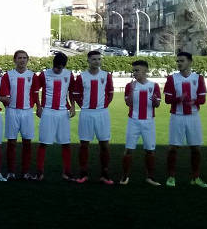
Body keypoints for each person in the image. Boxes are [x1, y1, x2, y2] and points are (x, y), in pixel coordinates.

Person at [163, 51, 207, 187]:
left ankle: (195, 177)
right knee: (173, 148)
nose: (179, 63)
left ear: (190, 62)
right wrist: (179, 99)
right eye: (178, 61)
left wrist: (194, 101)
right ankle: (171, 177)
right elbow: (167, 99)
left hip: (193, 117)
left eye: (182, 61)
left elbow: (202, 99)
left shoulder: (198, 78)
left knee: (196, 148)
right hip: (177, 117)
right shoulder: (172, 78)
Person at [31, 52, 76, 180]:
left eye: (60, 68)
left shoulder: (69, 74)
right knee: (43, 143)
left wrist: (73, 106)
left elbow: (72, 91)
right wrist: (38, 106)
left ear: (64, 66)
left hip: (63, 113)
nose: (57, 70)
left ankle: (67, 172)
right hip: (48, 112)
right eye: (56, 67)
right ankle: (39, 172)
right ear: (53, 64)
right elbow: (35, 91)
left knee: (66, 143)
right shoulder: (44, 74)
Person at [71, 50, 114, 184]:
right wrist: (84, 106)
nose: (97, 61)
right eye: (94, 59)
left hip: (102, 113)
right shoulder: (82, 77)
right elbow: (76, 94)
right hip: (86, 113)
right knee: (84, 144)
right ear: (88, 61)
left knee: (104, 145)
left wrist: (103, 105)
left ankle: (105, 174)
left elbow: (110, 93)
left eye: (99, 59)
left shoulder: (106, 76)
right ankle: (83, 173)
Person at [120, 60, 162, 185]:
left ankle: (150, 177)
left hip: (149, 122)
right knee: (129, 150)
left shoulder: (154, 85)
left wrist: (155, 100)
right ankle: (125, 176)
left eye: (137, 70)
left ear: (145, 71)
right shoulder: (130, 86)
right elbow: (128, 103)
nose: (134, 73)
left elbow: (157, 105)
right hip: (133, 121)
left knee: (150, 150)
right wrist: (132, 91)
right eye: (133, 70)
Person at [0, 50, 36, 180]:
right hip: (12, 111)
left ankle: (25, 172)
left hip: (27, 112)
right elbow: (3, 95)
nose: (22, 60)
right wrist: (8, 106)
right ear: (15, 60)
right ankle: (11, 172)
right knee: (11, 142)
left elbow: (35, 93)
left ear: (27, 60)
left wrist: (38, 107)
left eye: (24, 58)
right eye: (19, 58)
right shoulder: (8, 75)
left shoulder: (32, 75)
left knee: (27, 143)